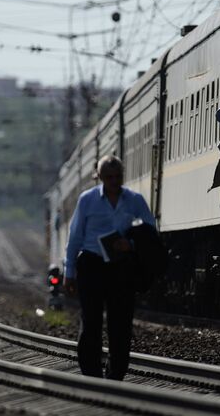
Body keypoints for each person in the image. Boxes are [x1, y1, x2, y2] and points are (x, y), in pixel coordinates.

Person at [63, 155, 156, 380]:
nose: (114, 181)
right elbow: (75, 237)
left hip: (120, 266)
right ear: (100, 178)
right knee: (91, 322)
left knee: (121, 323)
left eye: (117, 176)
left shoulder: (134, 200)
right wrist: (69, 273)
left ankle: (115, 374)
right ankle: (91, 374)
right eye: (109, 177)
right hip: (92, 264)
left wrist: (131, 243)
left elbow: (151, 231)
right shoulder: (87, 200)